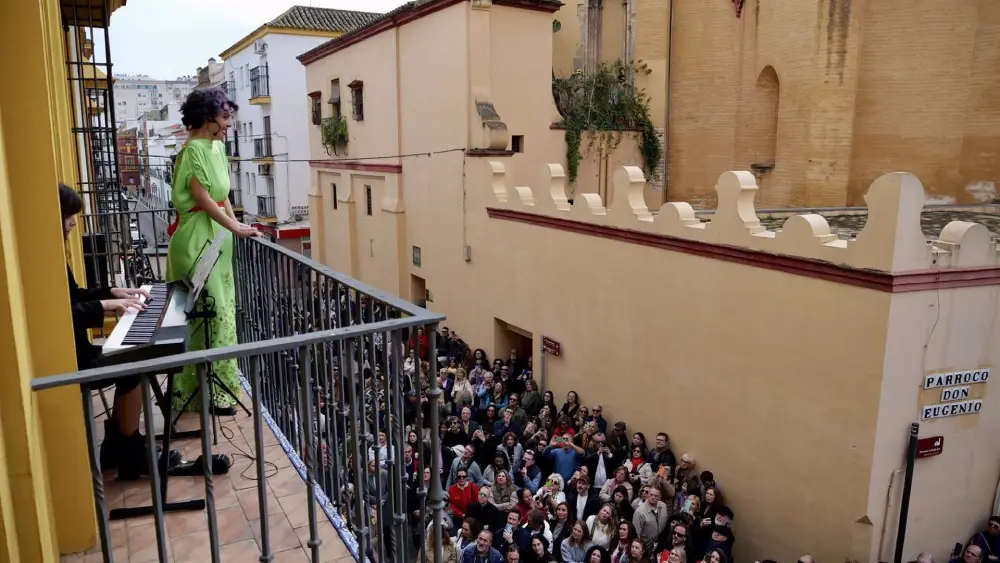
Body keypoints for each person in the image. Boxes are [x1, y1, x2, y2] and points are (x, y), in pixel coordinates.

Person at [59, 183, 175, 480]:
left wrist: (113, 291)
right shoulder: (47, 262)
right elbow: (66, 314)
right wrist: (109, 305)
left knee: (130, 361)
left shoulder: (54, 257)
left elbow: (76, 295)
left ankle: (116, 446)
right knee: (133, 362)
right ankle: (130, 452)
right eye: (68, 215)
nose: (73, 222)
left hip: (75, 351)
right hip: (70, 359)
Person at [166, 87, 259, 415]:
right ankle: (196, 391)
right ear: (208, 119)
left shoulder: (217, 148)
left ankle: (216, 390)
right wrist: (234, 228)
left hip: (218, 238)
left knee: (222, 313)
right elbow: (203, 199)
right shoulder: (193, 150)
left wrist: (238, 225)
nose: (229, 122)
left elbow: (221, 198)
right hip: (195, 237)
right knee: (209, 313)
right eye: (225, 116)